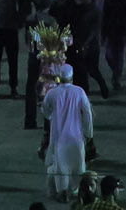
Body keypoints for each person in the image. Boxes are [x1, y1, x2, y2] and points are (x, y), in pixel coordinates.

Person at [41, 63, 92, 202]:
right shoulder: (79, 91)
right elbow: (87, 113)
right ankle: (74, 189)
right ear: (72, 77)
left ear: (59, 77)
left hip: (59, 137)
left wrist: (51, 117)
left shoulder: (53, 93)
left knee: (60, 167)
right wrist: (88, 132)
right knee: (77, 165)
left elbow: (44, 109)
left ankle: (62, 191)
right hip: (76, 136)